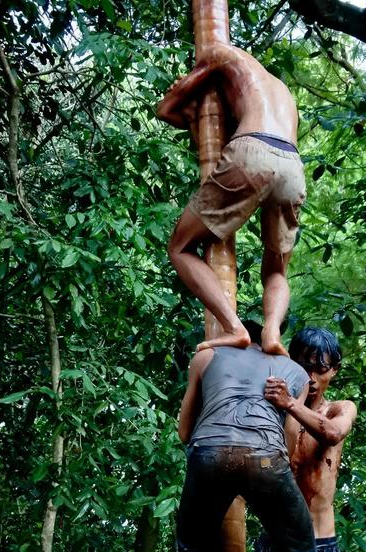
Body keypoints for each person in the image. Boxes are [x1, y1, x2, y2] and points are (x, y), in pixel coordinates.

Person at [177, 318, 317, 552]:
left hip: (208, 451)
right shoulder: (294, 371)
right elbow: (289, 440)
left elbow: (184, 431)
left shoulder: (207, 357)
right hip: (267, 455)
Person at [157, 41, 306, 356]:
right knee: (277, 269)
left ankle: (234, 327)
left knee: (180, 247)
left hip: (253, 150)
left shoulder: (216, 51)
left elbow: (166, 110)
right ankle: (272, 331)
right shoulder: (279, 90)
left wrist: (179, 93)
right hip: (293, 164)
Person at [251, 326, 357, 552]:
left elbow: (332, 433)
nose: (312, 378)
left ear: (334, 371)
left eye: (321, 369)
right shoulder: (273, 410)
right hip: (276, 544)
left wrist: (290, 403)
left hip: (321, 547)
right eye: (304, 365)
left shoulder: (341, 408)